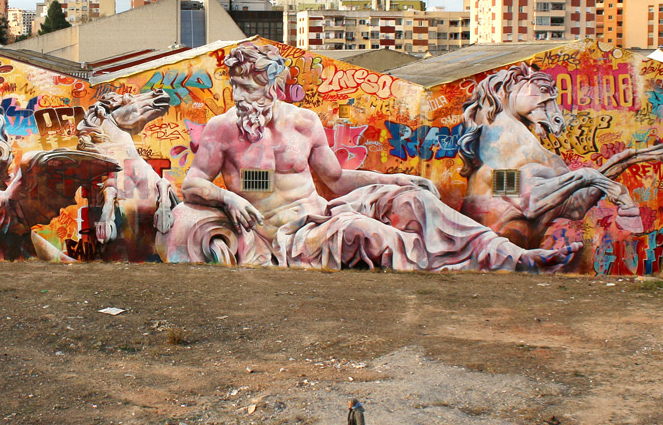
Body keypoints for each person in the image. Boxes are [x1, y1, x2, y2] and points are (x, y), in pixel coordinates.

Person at [163, 42, 575, 270]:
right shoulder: (223, 127)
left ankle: (513, 258)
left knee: (416, 200)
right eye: (235, 85)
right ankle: (452, 268)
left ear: (270, 83)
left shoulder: (304, 122)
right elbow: (193, 182)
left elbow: (338, 179)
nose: (241, 95)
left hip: (322, 211)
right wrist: (229, 197)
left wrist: (397, 181)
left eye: (249, 85)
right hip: (285, 236)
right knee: (362, 230)